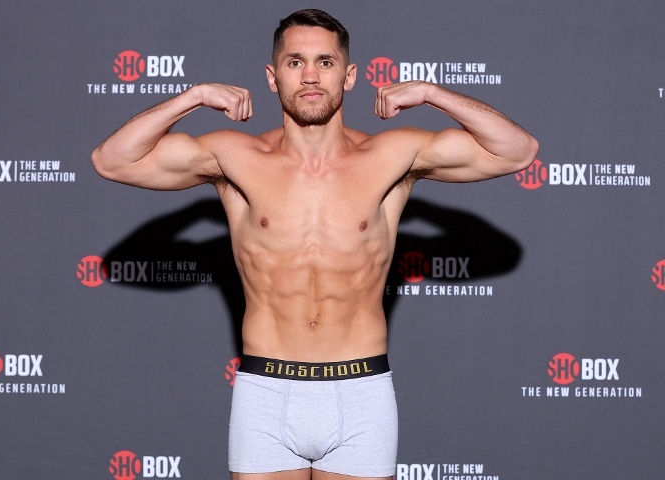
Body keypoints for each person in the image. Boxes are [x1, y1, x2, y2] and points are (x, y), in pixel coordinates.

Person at [92, 9, 538, 480]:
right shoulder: (234, 158)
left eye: (325, 63)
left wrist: (431, 93)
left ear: (349, 76)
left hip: (360, 389)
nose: (309, 76)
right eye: (295, 62)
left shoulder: (391, 156)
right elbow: (112, 161)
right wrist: (194, 96)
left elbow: (518, 151)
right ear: (272, 77)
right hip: (266, 390)